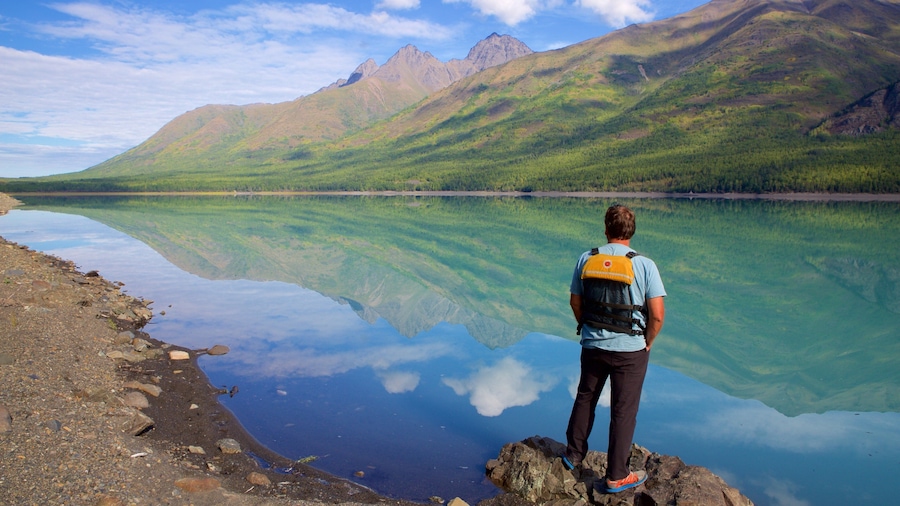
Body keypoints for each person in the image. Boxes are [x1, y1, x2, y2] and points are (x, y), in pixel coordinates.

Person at [562, 204, 666, 494]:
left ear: (606, 229)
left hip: (593, 345)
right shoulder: (644, 265)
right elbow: (657, 314)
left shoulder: (587, 258)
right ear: (631, 231)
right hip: (631, 351)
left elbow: (575, 301)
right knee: (623, 411)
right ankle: (617, 476)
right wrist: (648, 340)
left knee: (586, 398)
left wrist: (590, 328)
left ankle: (572, 455)